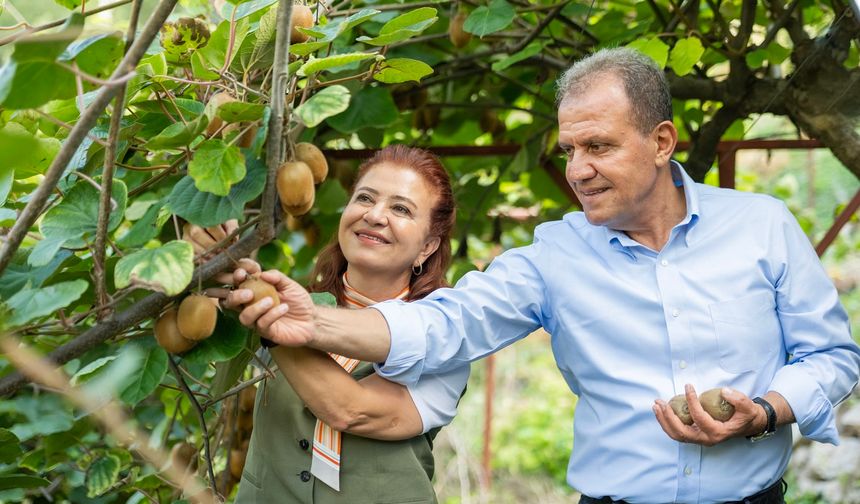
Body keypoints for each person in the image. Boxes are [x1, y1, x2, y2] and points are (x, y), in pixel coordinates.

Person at [233, 48, 860, 503]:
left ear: (663, 140)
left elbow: (832, 357)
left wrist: (769, 411)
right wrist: (309, 321)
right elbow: (447, 324)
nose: (578, 170)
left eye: (599, 147)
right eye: (569, 151)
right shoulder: (553, 256)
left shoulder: (763, 224)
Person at [198, 145, 468, 503]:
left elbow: (352, 410)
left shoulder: (445, 338)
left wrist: (271, 321)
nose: (374, 215)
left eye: (400, 208)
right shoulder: (295, 301)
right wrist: (208, 247)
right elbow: (196, 329)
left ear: (427, 247)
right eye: (365, 198)